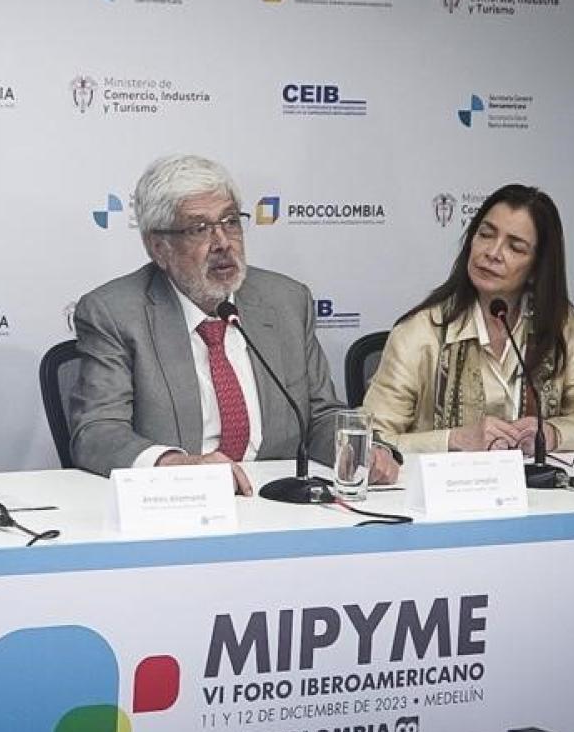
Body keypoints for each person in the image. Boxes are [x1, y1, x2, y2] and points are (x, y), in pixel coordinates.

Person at [69, 154, 398, 495]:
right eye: (199, 229)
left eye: (230, 222)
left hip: (278, 499)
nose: (223, 242)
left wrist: (360, 453)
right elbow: (97, 431)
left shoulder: (285, 300)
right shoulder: (115, 312)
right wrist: (178, 466)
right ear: (159, 247)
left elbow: (320, 415)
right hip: (178, 502)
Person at [363, 184, 574, 454]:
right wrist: (453, 440)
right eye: (486, 235)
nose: (493, 253)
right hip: (446, 492)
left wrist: (555, 434)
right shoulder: (420, 333)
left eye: (515, 247)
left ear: (537, 268)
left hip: (536, 494)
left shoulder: (561, 327)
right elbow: (370, 440)